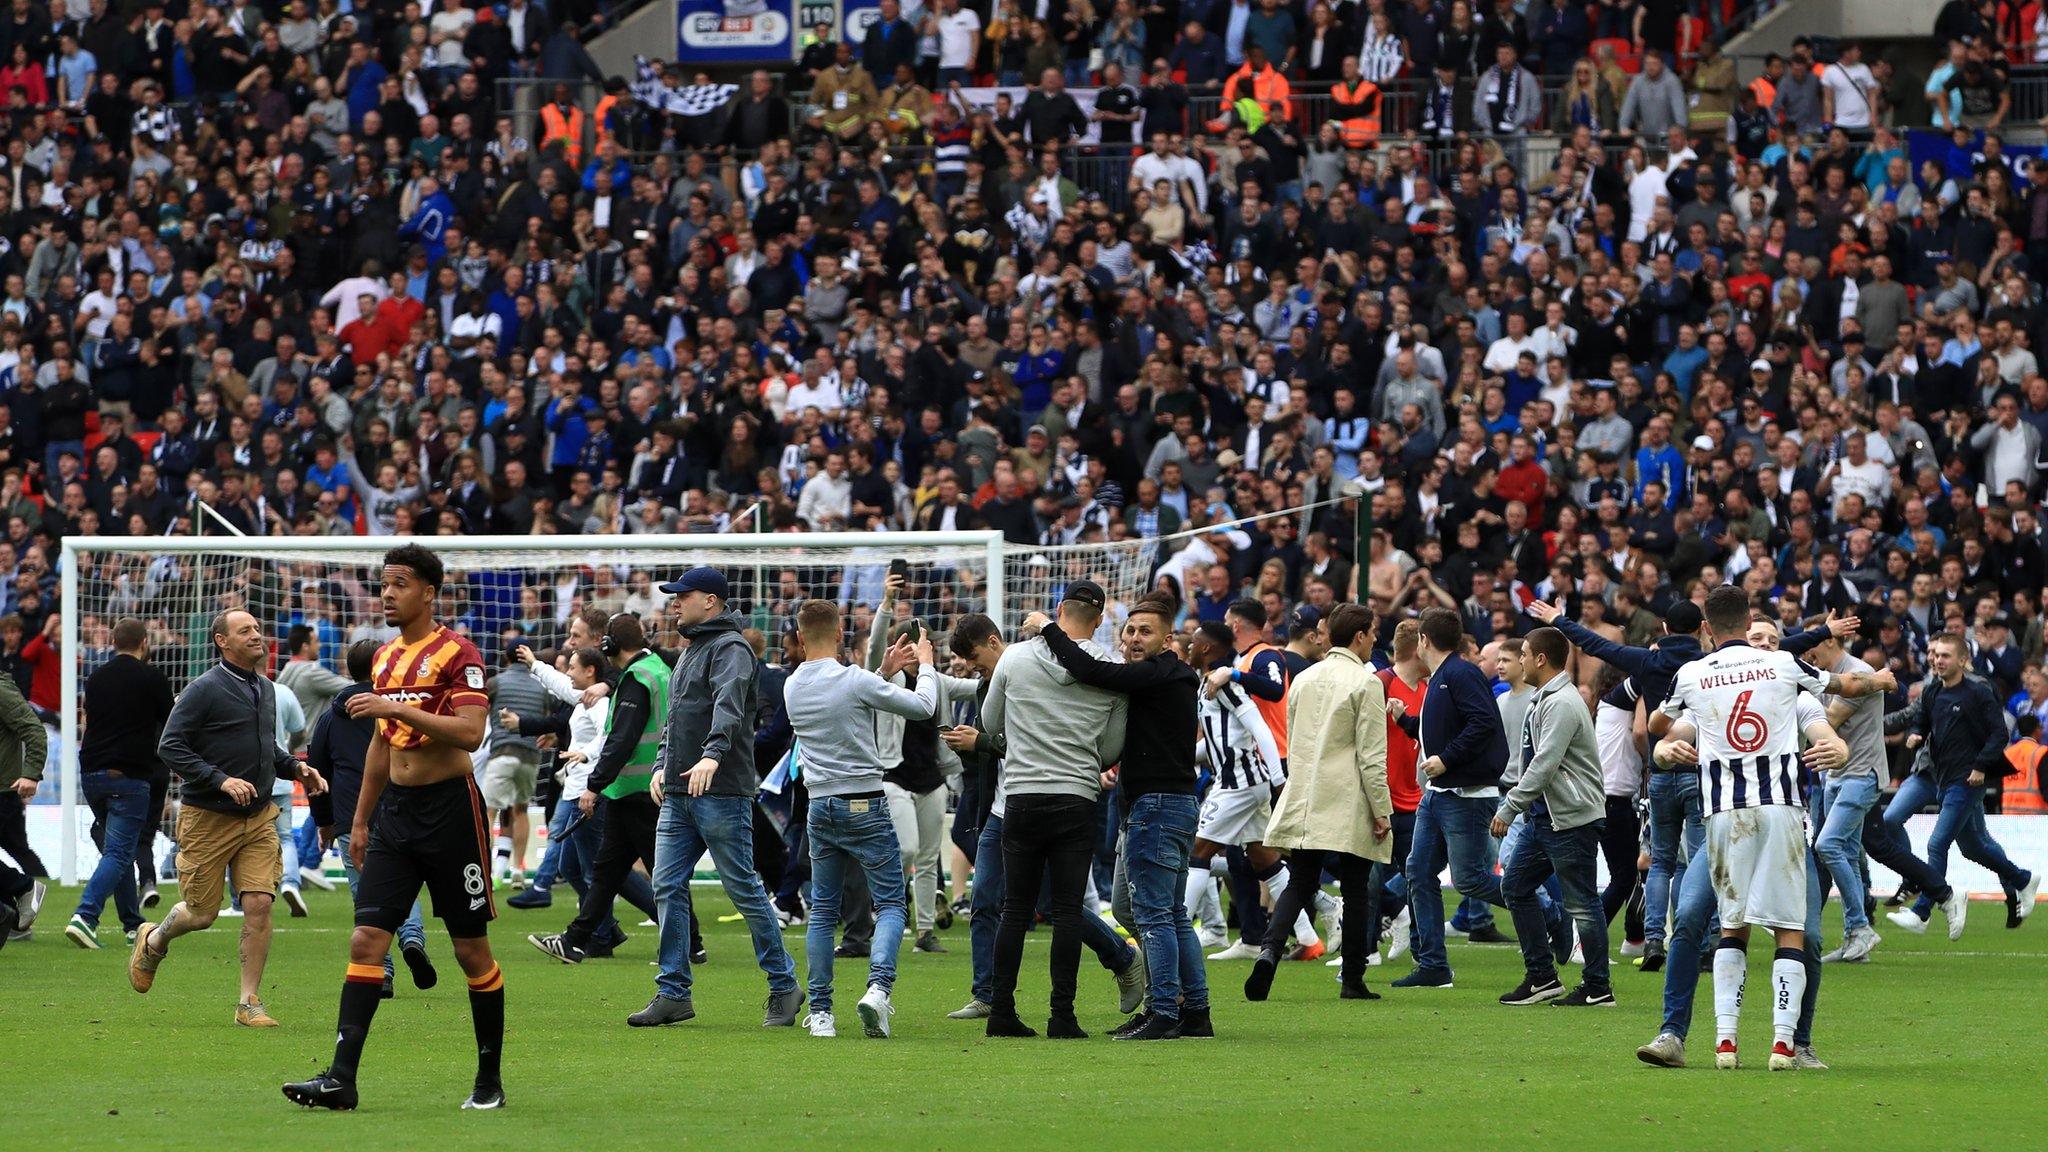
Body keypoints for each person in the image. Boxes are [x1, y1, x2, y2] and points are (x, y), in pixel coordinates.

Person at [282, 545, 497, 1111]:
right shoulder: (383, 660)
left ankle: (489, 1081)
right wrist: (359, 821)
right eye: (383, 584)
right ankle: (340, 1079)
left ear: (428, 592)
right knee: (366, 939)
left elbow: (470, 733)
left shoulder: (460, 653)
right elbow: (380, 745)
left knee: (471, 952)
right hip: (396, 816)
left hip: (452, 813)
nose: (387, 593)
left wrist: (397, 710)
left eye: (399, 583)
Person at [1649, 585, 1889, 1071]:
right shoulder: (1721, 686)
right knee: (1694, 916)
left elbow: (1824, 730)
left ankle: (1796, 1044)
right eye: (1754, 634)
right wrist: (1664, 751)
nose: (1759, 644)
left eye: (1769, 638)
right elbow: (1669, 737)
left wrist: (1837, 750)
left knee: (1808, 937)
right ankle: (1673, 1034)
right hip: (1749, 820)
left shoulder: (1785, 689)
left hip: (1755, 819)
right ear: (1741, 632)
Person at [941, 616, 1144, 1021]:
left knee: (1053, 906)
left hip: (1040, 801)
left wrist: (981, 741)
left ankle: (1121, 957)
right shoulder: (1000, 676)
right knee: (986, 900)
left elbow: (1037, 741)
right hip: (1005, 807)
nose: (972, 667)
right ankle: (988, 996)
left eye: (975, 657)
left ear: (995, 642)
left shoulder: (1035, 665)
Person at [138, 609, 328, 1029]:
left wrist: (297, 768)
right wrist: (219, 780)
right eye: (245, 631)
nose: (256, 636)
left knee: (259, 902)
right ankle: (153, 939)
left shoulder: (267, 689)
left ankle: (248, 1003)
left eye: (258, 629)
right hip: (208, 818)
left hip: (258, 816)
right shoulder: (203, 689)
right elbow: (170, 746)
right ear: (222, 641)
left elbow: (268, 750)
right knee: (202, 914)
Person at [1038, 591, 1212, 1040]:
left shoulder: (1162, 673)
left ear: (1168, 638)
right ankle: (1194, 1010)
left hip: (1157, 807)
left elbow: (1089, 670)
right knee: (1159, 912)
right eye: (1130, 630)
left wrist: (1048, 631)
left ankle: (1164, 1011)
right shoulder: (1166, 675)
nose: (1134, 639)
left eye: (1145, 632)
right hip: (1159, 803)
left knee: (1153, 914)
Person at [636, 566, 802, 1029]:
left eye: (681, 596)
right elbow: (675, 718)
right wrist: (660, 766)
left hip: (721, 789)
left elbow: (729, 706)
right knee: (666, 884)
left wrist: (712, 755)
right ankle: (673, 992)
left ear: (710, 601)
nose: (673, 603)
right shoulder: (693, 649)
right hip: (679, 789)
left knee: (744, 889)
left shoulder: (730, 649)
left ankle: (784, 985)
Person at [784, 598, 937, 1039]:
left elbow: (843, 699)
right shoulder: (851, 679)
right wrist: (924, 664)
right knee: (890, 904)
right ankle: (878, 989)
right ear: (839, 634)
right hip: (865, 802)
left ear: (798, 637)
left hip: (820, 806)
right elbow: (923, 706)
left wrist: (881, 673)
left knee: (823, 912)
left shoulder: (793, 685)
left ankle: (823, 1014)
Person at [982, 580, 1129, 1038]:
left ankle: (1001, 1010)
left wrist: (1025, 740)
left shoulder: (1014, 657)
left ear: (1059, 608)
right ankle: (1062, 1015)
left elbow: (989, 724)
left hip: (1022, 794)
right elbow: (1112, 749)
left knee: (1014, 909)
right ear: (1101, 619)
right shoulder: (1110, 668)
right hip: (1076, 796)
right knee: (1067, 911)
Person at [1246, 603, 1394, 1003]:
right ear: (1360, 636)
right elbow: (1371, 755)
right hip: (1349, 794)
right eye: (1373, 633)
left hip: (1308, 789)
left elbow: (1294, 742)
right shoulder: (1367, 683)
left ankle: (1269, 951)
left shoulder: (1306, 678)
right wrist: (1381, 810)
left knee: (1301, 880)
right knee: (1357, 886)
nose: (1376, 640)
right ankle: (1352, 978)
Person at [527, 614, 671, 965]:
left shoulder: (635, 679)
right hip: (631, 787)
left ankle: (686, 942)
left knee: (656, 874)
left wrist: (594, 783)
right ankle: (578, 940)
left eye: (579, 637)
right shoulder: (653, 669)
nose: (572, 643)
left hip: (635, 787)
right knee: (604, 871)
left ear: (608, 645)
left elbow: (619, 738)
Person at [1885, 634, 2041, 934]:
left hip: (1968, 779)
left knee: (1937, 843)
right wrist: (1916, 734)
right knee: (1971, 847)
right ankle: (2021, 878)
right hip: (1941, 777)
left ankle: (1922, 912)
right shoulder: (1932, 692)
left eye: (1945, 655)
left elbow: (1999, 734)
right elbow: (1922, 720)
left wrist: (1981, 766)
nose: (1938, 660)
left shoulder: (1979, 691)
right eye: (1935, 655)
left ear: (1962, 660)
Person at [1492, 626, 1611, 1007]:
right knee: (1515, 886)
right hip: (1547, 817)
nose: (1521, 659)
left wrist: (1511, 806)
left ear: (1540, 659)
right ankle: (1542, 976)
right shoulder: (1546, 698)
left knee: (1582, 904)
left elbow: (1545, 763)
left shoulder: (1560, 703)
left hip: (1570, 818)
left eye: (1524, 653)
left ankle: (1597, 986)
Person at [1392, 606, 1510, 989]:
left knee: (1471, 880)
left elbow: (1483, 723)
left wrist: (1446, 759)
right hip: (1440, 794)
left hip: (1466, 794)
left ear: (1424, 641)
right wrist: (1406, 722)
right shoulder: (1446, 675)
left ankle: (1548, 913)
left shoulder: (1460, 674)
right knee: (1418, 872)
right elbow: (1443, 730)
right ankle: (1433, 965)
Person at [310, 639, 431, 999]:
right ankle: (412, 937)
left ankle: (382, 971)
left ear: (348, 670)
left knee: (365, 896)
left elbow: (318, 770)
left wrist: (325, 821)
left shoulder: (332, 716)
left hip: (350, 814)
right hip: (399, 809)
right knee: (404, 883)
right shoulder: (400, 708)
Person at [64, 618, 173, 949]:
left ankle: (132, 924)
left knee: (118, 847)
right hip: (129, 776)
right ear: (144, 644)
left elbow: (89, 720)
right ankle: (86, 915)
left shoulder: (96, 678)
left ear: (113, 642)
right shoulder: (152, 678)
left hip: (92, 774)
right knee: (119, 850)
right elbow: (171, 724)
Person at [0, 660, 46, 942]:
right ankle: (15, 922)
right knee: (18, 848)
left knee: (19, 849)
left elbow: (34, 729)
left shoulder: (2, 690)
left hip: (4, 789)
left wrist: (31, 773)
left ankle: (24, 887)